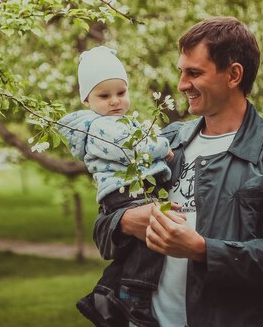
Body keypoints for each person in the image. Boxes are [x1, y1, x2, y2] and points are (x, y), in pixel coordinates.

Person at [93, 17, 263, 327]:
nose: (182, 84)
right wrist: (128, 221)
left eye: (194, 73)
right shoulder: (166, 142)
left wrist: (202, 250)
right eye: (181, 72)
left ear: (234, 75)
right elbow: (104, 224)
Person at [58, 46, 174, 327]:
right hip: (124, 194)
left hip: (128, 190)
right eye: (104, 95)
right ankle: (133, 300)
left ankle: (104, 294)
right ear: (86, 99)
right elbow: (129, 149)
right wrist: (162, 148)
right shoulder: (99, 127)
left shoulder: (114, 122)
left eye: (121, 93)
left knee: (136, 250)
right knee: (153, 242)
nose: (115, 102)